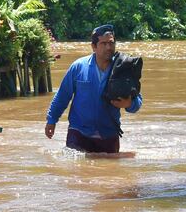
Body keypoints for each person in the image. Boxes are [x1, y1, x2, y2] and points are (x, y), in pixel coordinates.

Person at [44, 24, 142, 153]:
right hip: (79, 133)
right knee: (76, 170)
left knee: (108, 172)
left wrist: (129, 104)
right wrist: (51, 120)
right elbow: (63, 96)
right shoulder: (78, 67)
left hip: (108, 134)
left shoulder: (124, 68)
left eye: (111, 43)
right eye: (103, 43)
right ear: (94, 46)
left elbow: (137, 102)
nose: (108, 47)